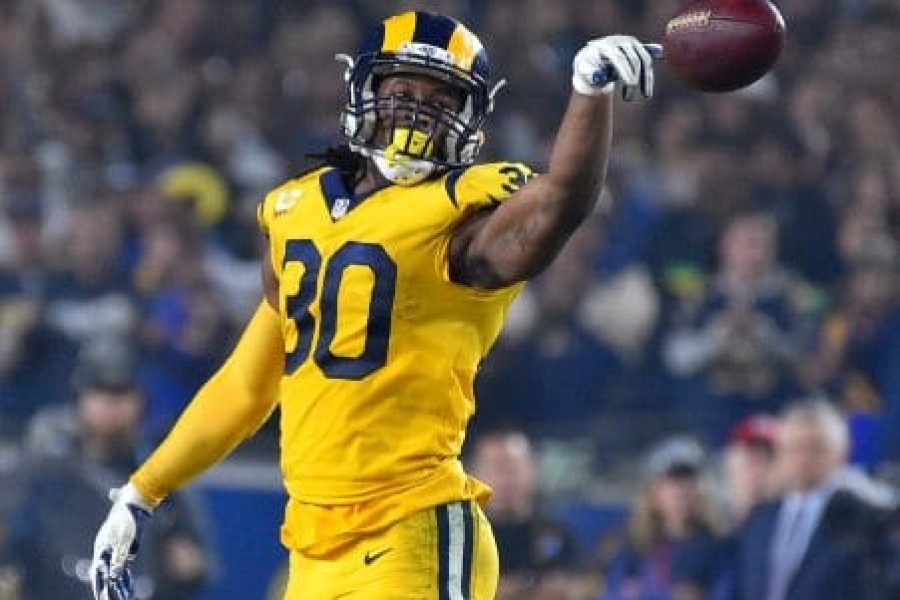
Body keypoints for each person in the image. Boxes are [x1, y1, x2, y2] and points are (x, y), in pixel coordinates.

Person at [90, 11, 658, 600]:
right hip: (313, 545)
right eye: (404, 91)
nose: (418, 110)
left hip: (412, 528)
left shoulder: (461, 218)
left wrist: (589, 92)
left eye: (441, 98)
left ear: (469, 119)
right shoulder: (296, 210)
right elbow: (248, 383)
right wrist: (143, 491)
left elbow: (561, 200)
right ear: (364, 92)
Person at [2, 336, 210, 600]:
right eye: (100, 391)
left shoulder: (162, 475)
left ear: (140, 401)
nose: (111, 406)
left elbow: (197, 568)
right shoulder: (41, 467)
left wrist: (188, 565)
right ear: (79, 398)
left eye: (122, 393)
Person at [730, 399, 899, 600]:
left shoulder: (864, 517)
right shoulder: (762, 519)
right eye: (795, 447)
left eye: (816, 447)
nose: (804, 458)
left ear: (842, 452)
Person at [599, 436, 726, 600]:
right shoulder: (631, 548)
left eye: (688, 480)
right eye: (672, 480)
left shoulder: (716, 549)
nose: (681, 490)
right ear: (653, 491)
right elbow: (611, 593)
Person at [471, 430, 580, 600]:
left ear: (532, 469)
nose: (505, 480)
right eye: (496, 469)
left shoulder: (558, 533)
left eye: (513, 468)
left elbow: (573, 587)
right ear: (474, 474)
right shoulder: (463, 539)